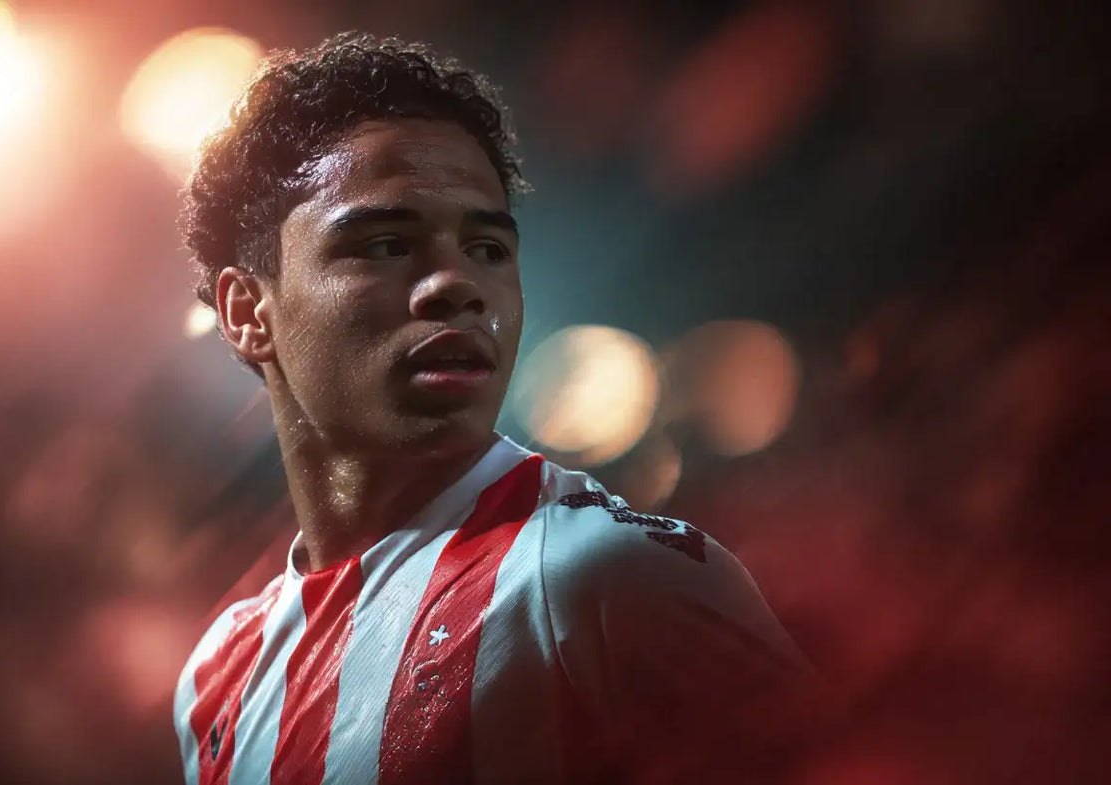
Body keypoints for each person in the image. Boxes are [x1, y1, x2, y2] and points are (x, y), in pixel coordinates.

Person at [173, 32, 823, 784]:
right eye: (385, 243)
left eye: (487, 248)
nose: (458, 284)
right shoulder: (219, 672)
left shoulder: (604, 576)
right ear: (247, 310)